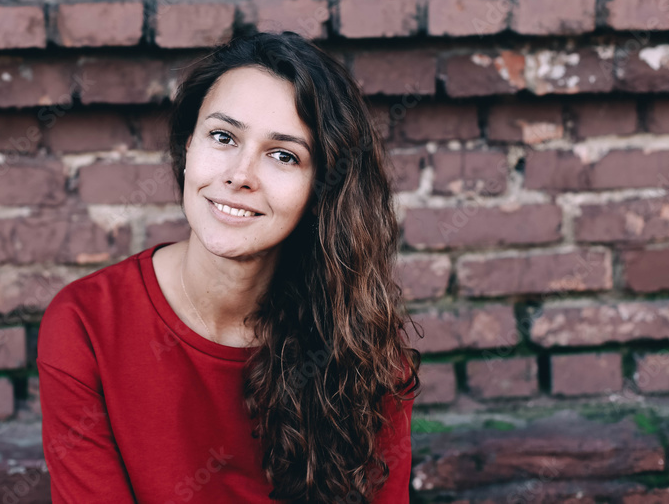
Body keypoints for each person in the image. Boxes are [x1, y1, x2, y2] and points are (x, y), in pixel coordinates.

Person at [37, 31, 423, 503]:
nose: (240, 175)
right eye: (223, 136)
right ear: (187, 148)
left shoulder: (358, 343)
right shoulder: (87, 324)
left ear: (324, 188)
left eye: (283, 155)